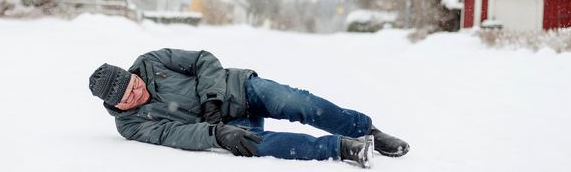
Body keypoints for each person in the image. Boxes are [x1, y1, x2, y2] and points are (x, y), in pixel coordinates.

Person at [88, 48, 409, 168]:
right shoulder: (130, 125)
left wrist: (212, 99)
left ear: (130, 73)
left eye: (133, 85)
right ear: (113, 105)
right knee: (256, 145)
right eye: (127, 98)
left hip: (239, 88)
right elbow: (173, 134)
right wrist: (217, 133)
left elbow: (204, 60)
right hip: (226, 125)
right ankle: (344, 148)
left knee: (297, 103)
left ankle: (367, 131)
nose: (135, 94)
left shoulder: (151, 61)